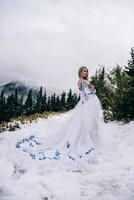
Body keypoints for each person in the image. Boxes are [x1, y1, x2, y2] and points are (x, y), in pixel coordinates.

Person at [16, 66, 103, 165]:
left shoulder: (82, 82)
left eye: (87, 71)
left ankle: (87, 140)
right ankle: (84, 141)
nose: (86, 73)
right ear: (80, 72)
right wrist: (91, 89)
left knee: (87, 123)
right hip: (88, 103)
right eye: (84, 71)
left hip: (87, 103)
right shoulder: (83, 82)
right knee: (85, 123)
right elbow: (88, 92)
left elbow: (85, 92)